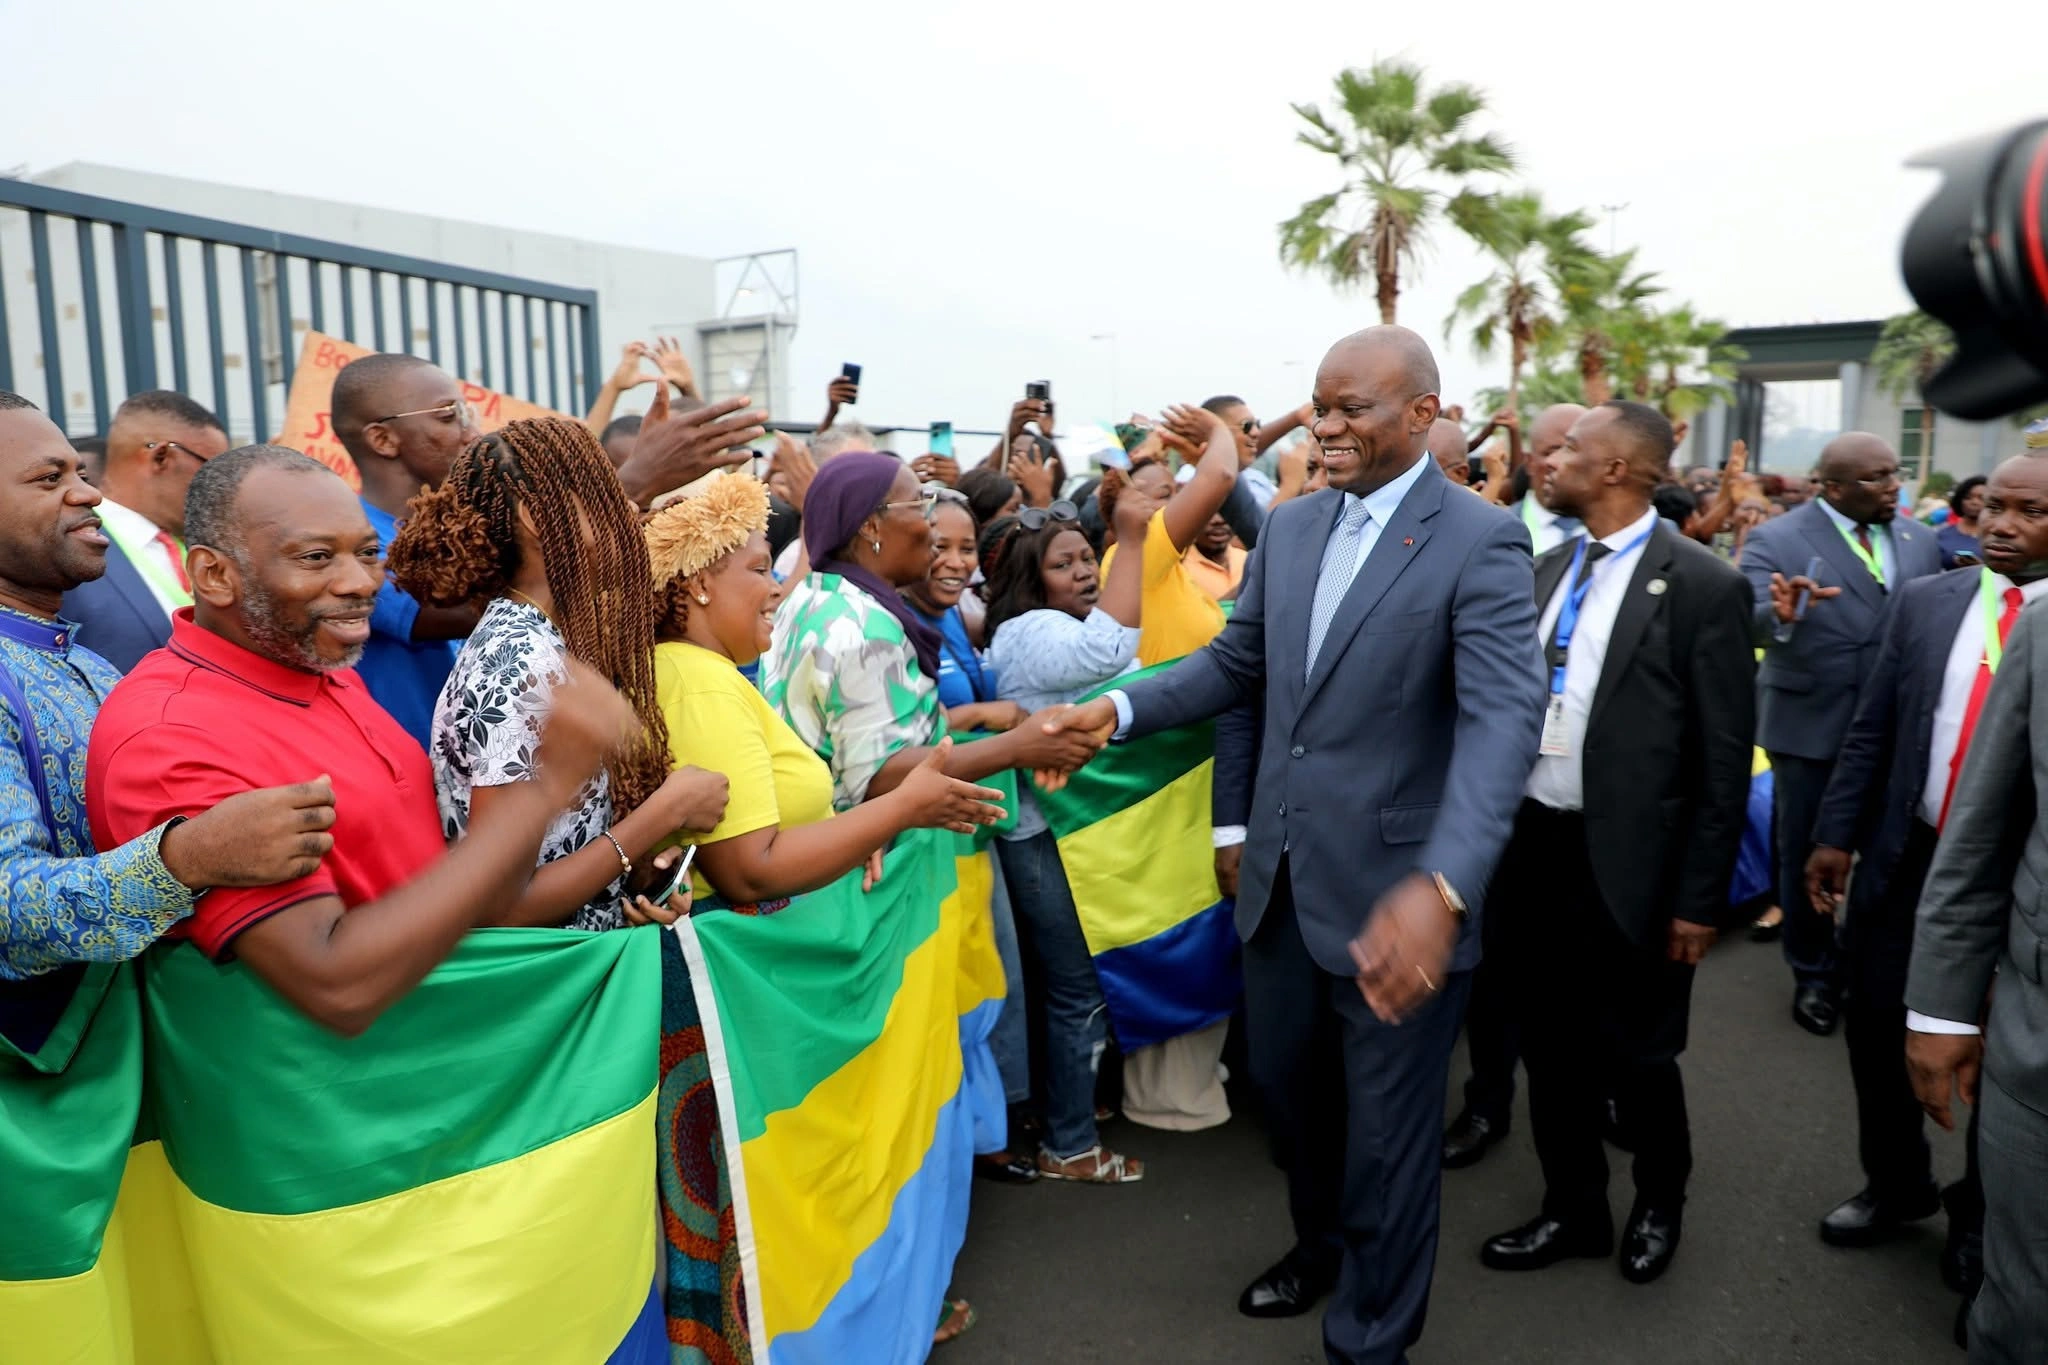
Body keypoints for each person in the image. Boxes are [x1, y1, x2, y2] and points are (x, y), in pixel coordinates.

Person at [1051, 326, 1545, 1363]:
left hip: (1398, 909)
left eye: (1350, 409)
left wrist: (1444, 888)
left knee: (1388, 1144)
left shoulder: (1479, 538)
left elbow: (1503, 725)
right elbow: (1236, 669)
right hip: (1277, 898)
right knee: (1290, 1107)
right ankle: (1317, 1247)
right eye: (1317, 407)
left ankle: (1366, 1337)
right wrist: (1116, 715)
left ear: (1420, 414)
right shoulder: (1291, 526)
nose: (1324, 428)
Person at [87, 445, 642, 1037]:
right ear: (214, 575)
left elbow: (446, 882)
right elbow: (337, 986)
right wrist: (545, 789)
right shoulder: (171, 736)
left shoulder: (323, 668)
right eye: (317, 557)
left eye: (369, 553)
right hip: (357, 1108)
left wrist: (632, 871)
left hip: (461, 1049)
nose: (359, 583)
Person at [1476, 401, 1754, 1286]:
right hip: (1534, 852)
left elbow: (1721, 764)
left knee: (1636, 1055)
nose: (1546, 462)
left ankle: (1659, 1199)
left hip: (1636, 868)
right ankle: (1574, 1207)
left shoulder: (1705, 585)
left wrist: (1699, 900)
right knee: (1549, 1050)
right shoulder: (1544, 566)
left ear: (1620, 471)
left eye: (1568, 451)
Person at [0, 395, 337, 1048]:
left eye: (80, 472)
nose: (88, 494)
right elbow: (9, 910)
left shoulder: (91, 667)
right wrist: (189, 855)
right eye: (50, 479)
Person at [1805, 456, 2048, 1325]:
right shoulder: (1926, 601)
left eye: (2031, 511)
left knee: (2000, 1055)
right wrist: (1835, 836)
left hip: (2019, 885)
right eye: (1995, 506)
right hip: (1910, 858)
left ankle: (1983, 1226)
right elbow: (1872, 727)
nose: (2001, 524)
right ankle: (1895, 1184)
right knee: (1877, 1030)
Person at [386, 417, 731, 931]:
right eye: (601, 493)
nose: (628, 511)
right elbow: (502, 904)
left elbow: (557, 844)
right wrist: (664, 813)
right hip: (541, 985)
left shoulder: (549, 641)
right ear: (534, 516)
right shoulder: (514, 664)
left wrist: (637, 882)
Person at [761, 452, 1104, 818]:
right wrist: (1019, 746)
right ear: (871, 527)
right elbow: (878, 777)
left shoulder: (812, 594)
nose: (933, 528)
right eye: (922, 507)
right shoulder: (864, 629)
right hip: (868, 862)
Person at [1737, 433, 1941, 1036]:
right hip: (1812, 729)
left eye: (1894, 473)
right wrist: (1777, 615)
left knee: (1890, 857)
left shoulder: (1919, 538)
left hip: (1899, 731)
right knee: (1806, 855)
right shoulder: (1777, 537)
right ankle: (1814, 973)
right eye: (1876, 478)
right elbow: (1742, 610)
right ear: (1832, 487)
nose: (1893, 485)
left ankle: (1868, 963)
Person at [983, 490, 1156, 1177]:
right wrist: (1133, 541)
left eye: (1090, 556)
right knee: (1076, 984)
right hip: (1040, 834)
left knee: (1071, 982)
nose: (1085, 572)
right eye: (1065, 564)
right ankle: (1070, 1145)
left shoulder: (1049, 625)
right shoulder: (1034, 631)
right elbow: (1113, 648)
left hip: (1061, 830)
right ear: (1032, 579)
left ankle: (1067, 1111)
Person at [1904, 592, 2048, 1361]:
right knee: (2025, 1308)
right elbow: (1985, 828)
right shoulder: (2045, 625)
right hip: (2038, 1047)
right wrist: (1942, 1007)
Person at [328, 353, 484, 748]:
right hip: (418, 782)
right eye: (448, 416)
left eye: (466, 415)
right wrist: (633, 481)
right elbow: (457, 609)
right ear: (383, 439)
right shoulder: (350, 545)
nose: (468, 434)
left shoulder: (456, 527)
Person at [60, 389, 229, 670]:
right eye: (213, 471)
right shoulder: (65, 548)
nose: (220, 488)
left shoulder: (204, 548)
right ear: (162, 456)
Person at [1097, 406, 1239, 667]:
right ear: (1130, 506)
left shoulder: (1169, 566)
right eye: (1165, 495)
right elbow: (1221, 475)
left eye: (1178, 492)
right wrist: (1217, 429)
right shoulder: (1143, 549)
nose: (1179, 503)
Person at [1509, 404, 1588, 555]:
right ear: (1530, 463)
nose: (1564, 464)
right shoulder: (1495, 532)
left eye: (1577, 452)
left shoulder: (1625, 532)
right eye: (1553, 452)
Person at [1185, 513, 1247, 600]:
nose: (1219, 520)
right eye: (1210, 511)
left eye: (1226, 511)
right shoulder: (1178, 567)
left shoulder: (1248, 559)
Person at [1939, 475, 1986, 568]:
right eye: (1968, 497)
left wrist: (1981, 567)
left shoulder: (1998, 536)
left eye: (1982, 498)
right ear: (1959, 500)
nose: (1974, 502)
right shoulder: (1941, 534)